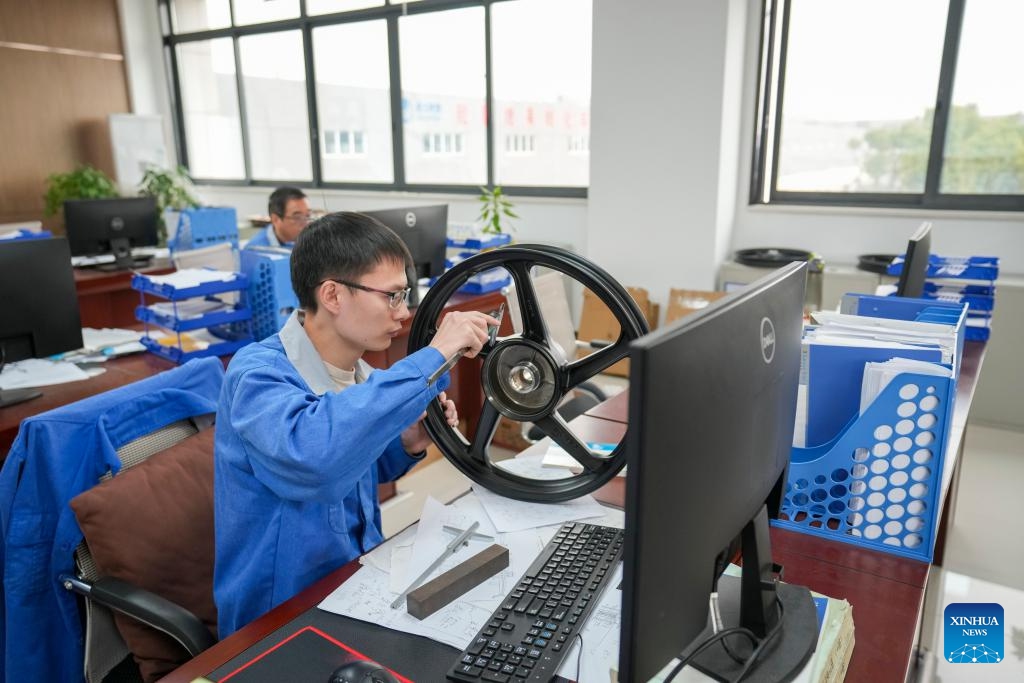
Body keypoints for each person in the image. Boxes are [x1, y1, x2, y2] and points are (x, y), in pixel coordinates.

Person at [213, 211, 498, 637]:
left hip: (354, 585)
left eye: (405, 296)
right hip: (278, 620)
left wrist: (406, 441)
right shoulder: (257, 376)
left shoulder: (360, 375)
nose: (403, 313)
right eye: (392, 296)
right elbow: (315, 462)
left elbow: (354, 469)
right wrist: (434, 355)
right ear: (332, 294)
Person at [245, 186, 311, 249]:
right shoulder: (256, 250)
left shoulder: (308, 241)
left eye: (308, 215)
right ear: (275, 219)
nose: (306, 224)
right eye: (297, 217)